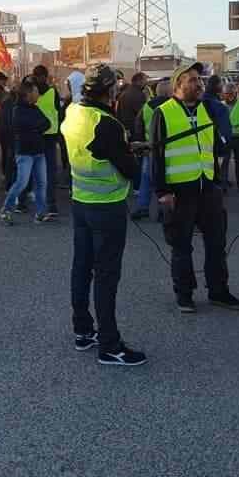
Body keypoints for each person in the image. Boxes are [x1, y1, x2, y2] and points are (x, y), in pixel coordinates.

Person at [61, 64, 146, 366]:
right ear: (110, 91)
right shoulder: (106, 123)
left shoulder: (73, 113)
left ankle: (83, 330)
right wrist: (131, 152)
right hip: (107, 206)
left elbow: (95, 150)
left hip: (81, 202)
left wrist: (123, 148)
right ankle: (110, 345)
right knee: (107, 276)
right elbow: (130, 170)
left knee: (81, 267)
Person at [152, 64, 239, 312]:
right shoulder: (164, 112)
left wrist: (216, 181)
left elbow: (214, 147)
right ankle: (185, 295)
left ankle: (219, 291)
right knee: (181, 245)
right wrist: (163, 191)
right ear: (178, 84)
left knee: (216, 242)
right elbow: (157, 156)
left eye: (200, 80)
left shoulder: (208, 109)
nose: (199, 84)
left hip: (208, 187)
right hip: (180, 190)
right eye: (192, 80)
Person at [0, 79, 52, 224]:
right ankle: (6, 209)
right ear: (28, 93)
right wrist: (36, 128)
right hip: (24, 153)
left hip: (39, 151)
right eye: (35, 92)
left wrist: (34, 128)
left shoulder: (35, 108)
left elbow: (47, 123)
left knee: (41, 183)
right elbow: (23, 126)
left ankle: (41, 213)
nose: (38, 95)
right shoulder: (17, 109)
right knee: (21, 182)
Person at [131, 77, 172, 219]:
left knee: (146, 179)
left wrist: (141, 145)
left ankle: (143, 207)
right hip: (169, 150)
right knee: (165, 180)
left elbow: (139, 125)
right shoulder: (173, 106)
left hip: (150, 148)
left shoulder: (147, 106)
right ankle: (163, 211)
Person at [33, 65, 61, 218]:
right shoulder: (53, 92)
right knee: (50, 171)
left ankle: (41, 204)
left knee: (37, 170)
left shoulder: (32, 92)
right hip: (50, 136)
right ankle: (51, 205)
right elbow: (59, 112)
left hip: (36, 136)